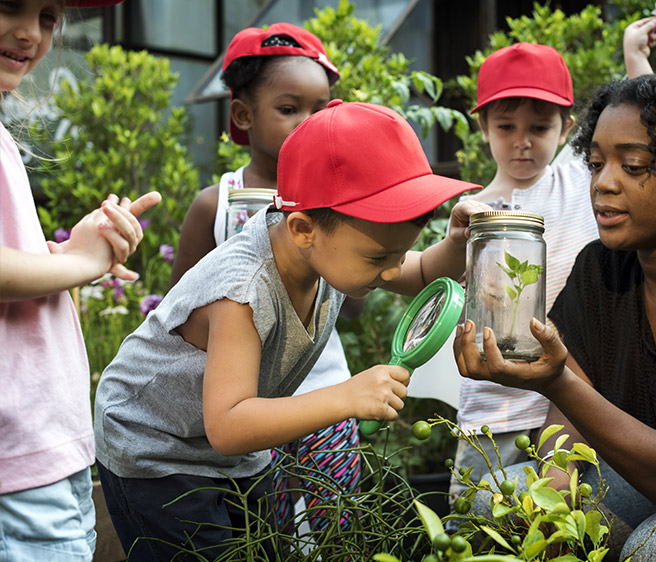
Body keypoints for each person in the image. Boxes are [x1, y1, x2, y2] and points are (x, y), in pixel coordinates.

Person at [93, 99, 487, 561]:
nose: (390, 272)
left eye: (399, 254)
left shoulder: (336, 247)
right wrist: (345, 396)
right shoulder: (244, 290)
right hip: (158, 452)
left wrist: (457, 243)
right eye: (381, 259)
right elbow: (228, 424)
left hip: (233, 452)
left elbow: (419, 273)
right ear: (302, 229)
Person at [455, 66, 656, 560]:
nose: (604, 183)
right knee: (497, 500)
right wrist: (552, 497)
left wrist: (554, 380)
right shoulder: (601, 267)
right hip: (648, 474)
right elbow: (566, 425)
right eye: (597, 163)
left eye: (635, 164)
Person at [170, 23, 363, 536]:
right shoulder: (216, 205)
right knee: (267, 533)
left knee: (339, 528)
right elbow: (180, 314)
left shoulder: (337, 207)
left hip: (327, 395)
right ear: (243, 114)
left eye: (321, 109)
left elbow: (356, 295)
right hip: (249, 409)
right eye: (288, 108)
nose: (308, 123)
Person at [0, 1, 162, 560]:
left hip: (40, 449)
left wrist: (69, 250)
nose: (31, 33)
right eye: (8, 5)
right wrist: (80, 264)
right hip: (17, 459)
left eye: (47, 16)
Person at [445, 41, 599, 508]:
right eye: (506, 126)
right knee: (476, 526)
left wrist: (635, 51)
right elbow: (448, 293)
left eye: (540, 127)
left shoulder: (577, 176)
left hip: (572, 402)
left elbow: (635, 107)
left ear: (567, 129)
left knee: (567, 527)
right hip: (493, 410)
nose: (522, 141)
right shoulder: (474, 215)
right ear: (483, 126)